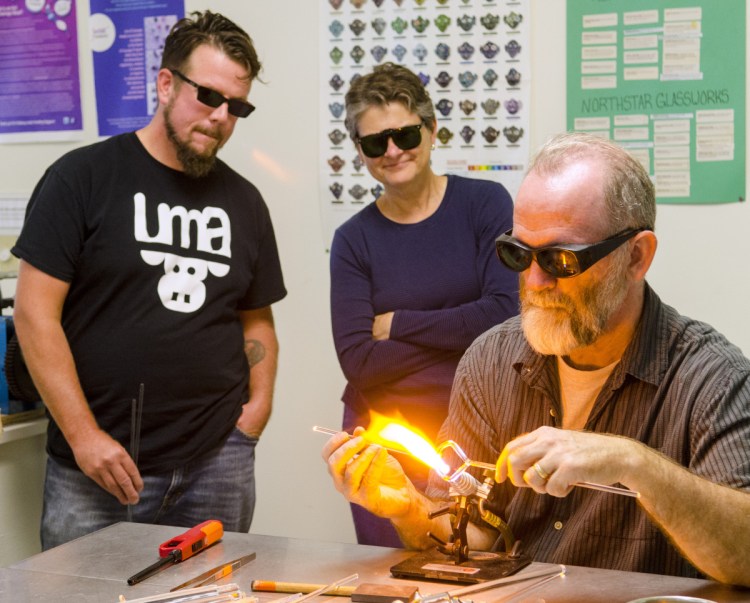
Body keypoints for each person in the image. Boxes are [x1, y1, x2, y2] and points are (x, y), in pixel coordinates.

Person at [322, 132, 750, 585]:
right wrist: (409, 508)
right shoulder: (490, 361)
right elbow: (475, 539)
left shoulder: (712, 380)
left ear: (636, 257)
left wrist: (635, 464)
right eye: (518, 253)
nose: (535, 281)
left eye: (561, 260)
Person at [12, 11, 287, 550]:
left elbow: (257, 320)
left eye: (237, 107)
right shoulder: (82, 178)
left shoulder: (245, 202)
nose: (220, 117)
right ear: (165, 83)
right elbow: (33, 314)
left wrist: (253, 418)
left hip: (216, 463)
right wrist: (84, 436)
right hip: (97, 468)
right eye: (208, 96)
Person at [330, 63, 519, 546]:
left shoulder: (485, 204)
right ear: (360, 152)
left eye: (405, 134)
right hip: (386, 447)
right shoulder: (353, 240)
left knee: (479, 575)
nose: (392, 151)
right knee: (393, 582)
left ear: (432, 131)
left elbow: (505, 315)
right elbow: (359, 363)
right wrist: (463, 334)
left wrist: (399, 324)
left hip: (479, 439)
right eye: (375, 142)